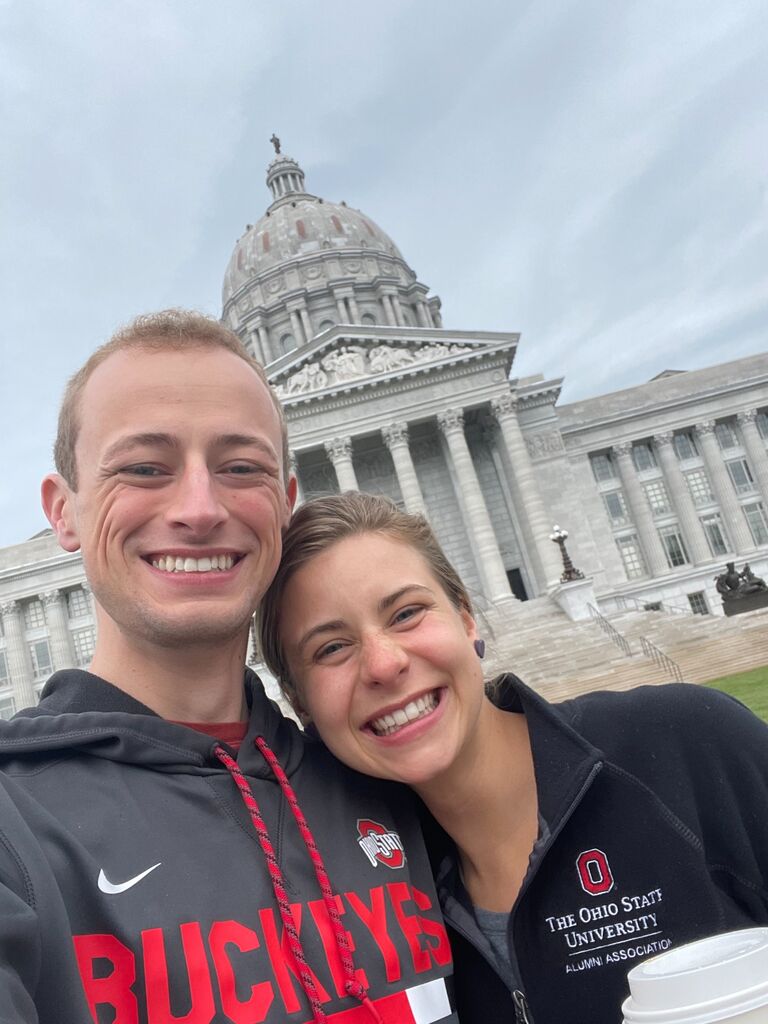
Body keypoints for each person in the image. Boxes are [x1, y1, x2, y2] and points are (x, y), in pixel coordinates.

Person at [0, 313, 456, 1024]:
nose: (199, 509)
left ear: (285, 502)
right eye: (144, 468)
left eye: (241, 467)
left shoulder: (385, 779)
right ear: (64, 513)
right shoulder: (13, 828)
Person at [258, 491, 768, 1024]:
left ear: (467, 618)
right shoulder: (366, 889)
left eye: (406, 613)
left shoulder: (687, 745)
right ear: (299, 702)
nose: (383, 665)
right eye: (331, 648)